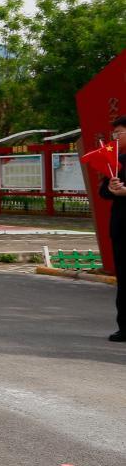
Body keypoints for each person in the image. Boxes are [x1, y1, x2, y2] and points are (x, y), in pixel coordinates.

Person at [102, 116, 126, 343]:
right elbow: (103, 191)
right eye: (114, 134)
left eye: (119, 133)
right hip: (121, 228)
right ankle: (124, 327)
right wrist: (110, 188)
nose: (115, 137)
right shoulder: (115, 160)